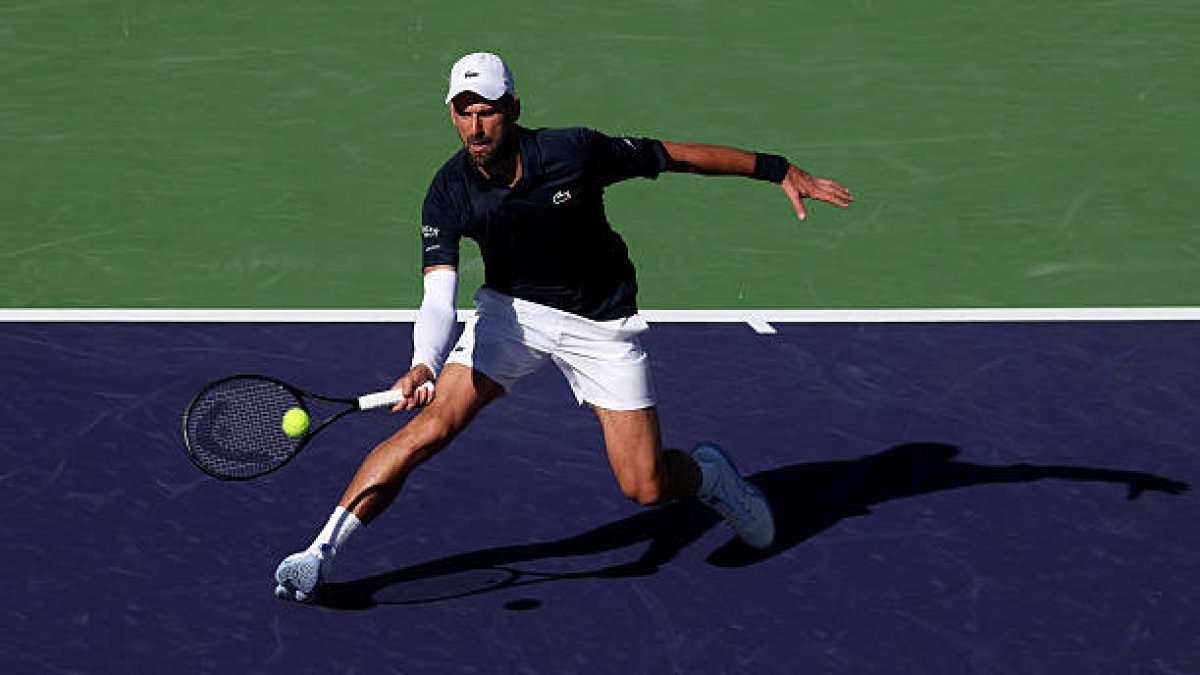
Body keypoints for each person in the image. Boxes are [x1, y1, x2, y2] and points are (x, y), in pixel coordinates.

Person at [274, 52, 854, 602]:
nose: (476, 126)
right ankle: (319, 554)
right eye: (464, 111)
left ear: (513, 109)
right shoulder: (447, 191)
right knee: (431, 428)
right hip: (512, 314)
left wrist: (776, 169)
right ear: (451, 113)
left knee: (645, 487)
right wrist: (426, 359)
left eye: (488, 110)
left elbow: (671, 155)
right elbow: (438, 295)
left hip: (602, 324)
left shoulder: (574, 151)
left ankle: (709, 477)